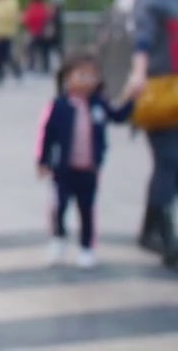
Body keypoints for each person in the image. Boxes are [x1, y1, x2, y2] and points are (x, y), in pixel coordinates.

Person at [36, 51, 133, 269]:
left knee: (87, 210)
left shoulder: (99, 104)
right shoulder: (59, 106)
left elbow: (118, 117)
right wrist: (43, 160)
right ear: (67, 77)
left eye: (92, 76)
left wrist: (131, 99)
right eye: (81, 75)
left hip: (88, 169)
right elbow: (48, 135)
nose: (87, 81)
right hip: (64, 169)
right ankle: (58, 239)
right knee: (59, 206)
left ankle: (87, 247)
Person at [124, 0, 178, 270]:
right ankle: (158, 229)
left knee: (172, 162)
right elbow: (142, 36)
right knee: (170, 159)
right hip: (160, 89)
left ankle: (151, 226)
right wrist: (139, 73)